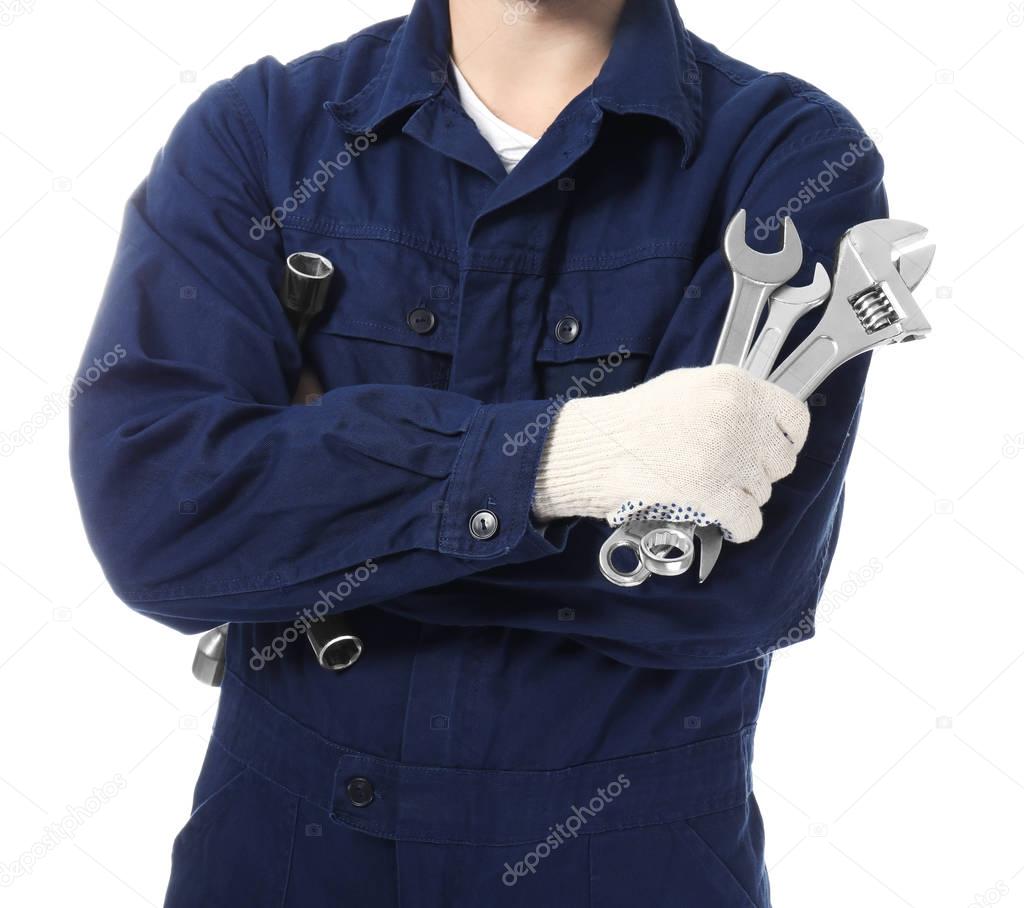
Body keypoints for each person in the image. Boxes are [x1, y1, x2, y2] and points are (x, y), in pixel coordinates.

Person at [70, 0, 887, 904]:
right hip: (278, 856)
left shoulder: (789, 157)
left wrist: (317, 495)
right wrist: (571, 460)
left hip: (632, 864)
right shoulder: (260, 132)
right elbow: (158, 524)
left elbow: (725, 592)